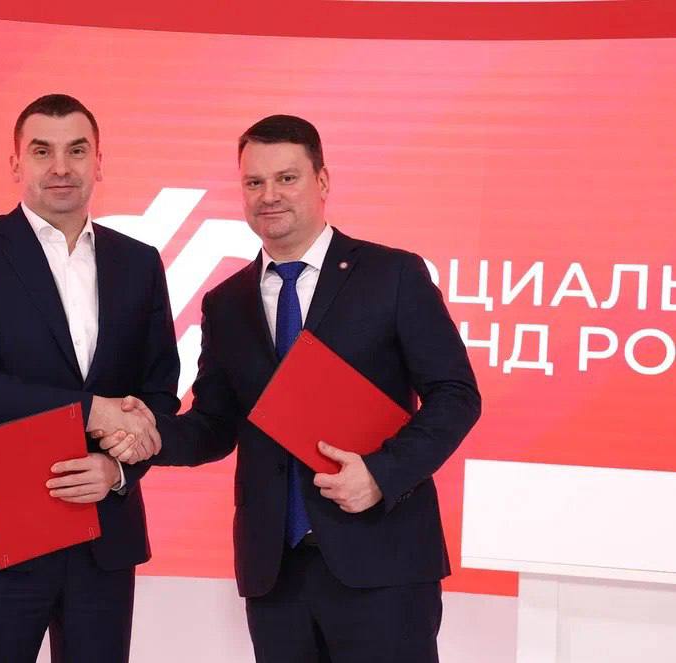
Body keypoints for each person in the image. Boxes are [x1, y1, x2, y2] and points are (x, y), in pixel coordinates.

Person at [102, 114, 481, 662]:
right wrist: (151, 435)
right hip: (275, 574)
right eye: (254, 182)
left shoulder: (392, 275)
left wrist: (381, 474)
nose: (269, 195)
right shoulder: (226, 303)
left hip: (383, 562)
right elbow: (215, 425)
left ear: (322, 181)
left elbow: (456, 395)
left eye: (287, 178)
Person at [0, 93, 177, 663]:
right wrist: (91, 411)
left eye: (77, 150)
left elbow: (157, 394)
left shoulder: (139, 262)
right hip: (1, 531)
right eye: (42, 151)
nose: (61, 166)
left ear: (99, 162)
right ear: (16, 162)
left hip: (104, 531)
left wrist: (118, 470)